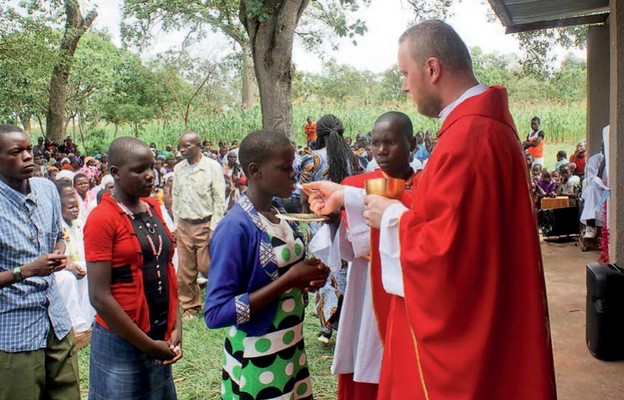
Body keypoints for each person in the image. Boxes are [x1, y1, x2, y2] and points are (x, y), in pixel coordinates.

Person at [303, 20, 556, 399]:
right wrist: (347, 194)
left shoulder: (470, 136)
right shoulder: (479, 126)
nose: (404, 85)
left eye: (405, 73)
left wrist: (389, 219)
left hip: (465, 339)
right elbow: (431, 199)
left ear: (432, 69)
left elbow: (443, 246)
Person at [204, 130, 330, 400]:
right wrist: (288, 281)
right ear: (255, 170)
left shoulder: (279, 213)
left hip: (289, 346)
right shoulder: (235, 228)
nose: (293, 173)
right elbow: (215, 314)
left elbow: (283, 275)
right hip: (258, 354)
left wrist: (307, 278)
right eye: (285, 168)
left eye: (293, 165)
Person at [84, 137, 182, 400]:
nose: (150, 175)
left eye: (151, 167)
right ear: (115, 172)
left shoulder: (153, 208)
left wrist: (175, 326)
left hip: (159, 333)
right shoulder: (102, 219)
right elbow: (99, 296)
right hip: (122, 340)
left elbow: (167, 269)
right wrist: (147, 345)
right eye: (140, 170)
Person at [331, 112, 417, 400]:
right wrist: (332, 216)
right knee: (365, 358)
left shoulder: (427, 186)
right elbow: (346, 246)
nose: (380, 151)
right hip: (366, 289)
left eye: (390, 142)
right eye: (375, 143)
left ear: (412, 144)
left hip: (411, 292)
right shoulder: (355, 185)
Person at [0, 124, 80, 399]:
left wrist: (59, 252)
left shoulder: (47, 190)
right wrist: (28, 270)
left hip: (56, 321)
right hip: (14, 332)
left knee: (68, 394)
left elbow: (58, 234)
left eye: (29, 149)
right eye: (16, 152)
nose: (27, 157)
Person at [300, 114, 362, 343]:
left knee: (324, 273)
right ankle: (346, 322)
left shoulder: (311, 159)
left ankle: (327, 327)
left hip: (319, 226)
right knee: (344, 272)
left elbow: (304, 197)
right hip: (347, 222)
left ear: (320, 134)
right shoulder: (354, 159)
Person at [173, 132, 226, 319]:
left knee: (208, 267)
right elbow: (176, 198)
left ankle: (220, 302)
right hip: (185, 224)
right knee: (186, 271)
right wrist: (176, 226)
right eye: (180, 146)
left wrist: (214, 227)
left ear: (197, 146)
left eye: (186, 146)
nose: (181, 150)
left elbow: (220, 199)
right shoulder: (179, 169)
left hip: (205, 224)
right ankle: (190, 307)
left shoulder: (212, 167)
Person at [54, 180, 96, 344]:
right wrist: (68, 264)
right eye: (70, 207)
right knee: (68, 279)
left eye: (76, 206)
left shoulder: (79, 223)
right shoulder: (56, 223)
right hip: (60, 267)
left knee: (90, 271)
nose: (74, 210)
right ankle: (75, 325)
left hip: (81, 264)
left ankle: (88, 320)